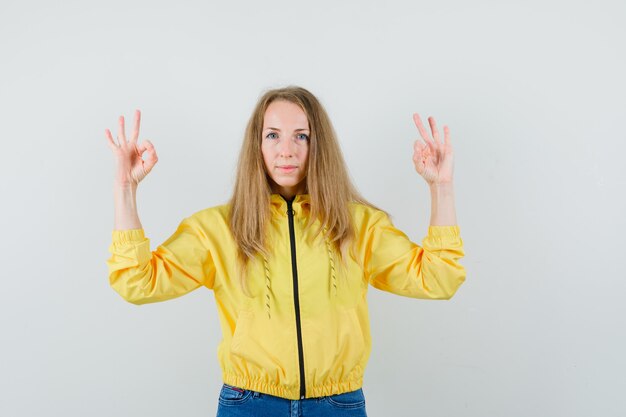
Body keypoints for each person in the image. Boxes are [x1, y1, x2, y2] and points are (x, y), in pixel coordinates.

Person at [105, 86, 466, 416]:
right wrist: (125, 187)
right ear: (257, 145)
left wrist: (442, 187)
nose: (287, 150)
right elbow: (137, 281)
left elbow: (439, 279)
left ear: (317, 144)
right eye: (273, 135)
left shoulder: (359, 225)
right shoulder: (217, 229)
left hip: (338, 405)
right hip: (249, 403)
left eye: (301, 136)